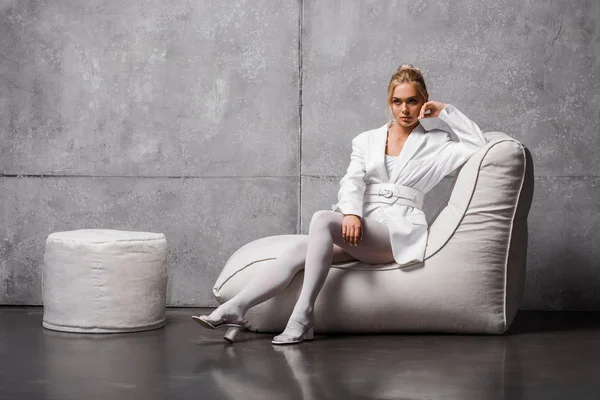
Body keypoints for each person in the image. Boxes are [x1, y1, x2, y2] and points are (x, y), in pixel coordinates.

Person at [192, 64, 488, 345]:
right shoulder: (367, 140)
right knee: (297, 250)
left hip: (397, 231)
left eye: (413, 101)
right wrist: (352, 214)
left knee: (322, 219)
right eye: (397, 101)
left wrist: (446, 111)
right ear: (389, 102)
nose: (405, 109)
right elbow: (352, 180)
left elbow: (478, 145)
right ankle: (236, 308)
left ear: (423, 101)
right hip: (362, 226)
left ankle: (304, 314)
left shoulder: (437, 142)